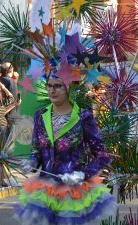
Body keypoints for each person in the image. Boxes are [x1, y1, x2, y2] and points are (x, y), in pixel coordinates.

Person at [15, 75, 116, 225]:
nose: (52, 90)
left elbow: (102, 155)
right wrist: (31, 162)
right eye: (49, 86)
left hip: (74, 191)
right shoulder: (40, 115)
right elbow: (36, 150)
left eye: (58, 86)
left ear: (69, 88)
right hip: (45, 190)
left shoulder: (83, 116)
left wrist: (82, 174)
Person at [0, 62, 20, 129]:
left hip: (0, 115)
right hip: (10, 117)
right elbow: (14, 100)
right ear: (12, 70)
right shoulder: (10, 81)